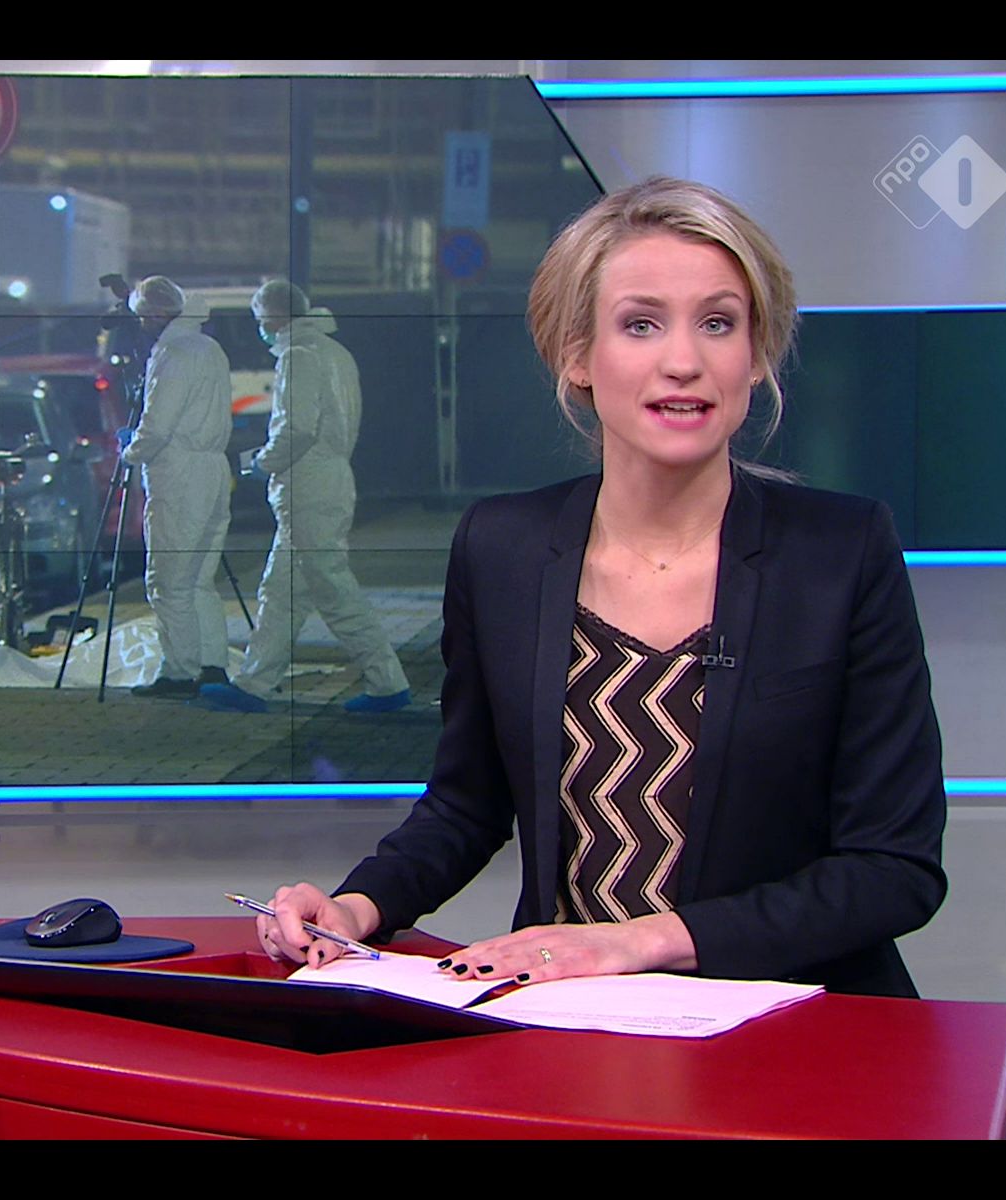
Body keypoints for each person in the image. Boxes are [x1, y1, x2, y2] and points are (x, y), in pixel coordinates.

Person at [254, 177, 948, 998]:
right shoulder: (502, 549)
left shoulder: (842, 552)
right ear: (576, 355)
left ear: (756, 354)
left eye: (718, 323)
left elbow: (893, 867)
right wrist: (356, 907)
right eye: (641, 324)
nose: (683, 361)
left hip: (790, 1022)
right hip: (571, 1020)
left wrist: (638, 943)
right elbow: (467, 805)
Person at [196, 281, 412, 715]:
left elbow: (296, 428)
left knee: (331, 587)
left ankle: (388, 682)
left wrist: (263, 462)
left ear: (275, 316)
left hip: (306, 485)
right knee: (281, 593)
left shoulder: (298, 357)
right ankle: (256, 682)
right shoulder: (336, 353)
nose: (260, 329)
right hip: (328, 479)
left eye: (260, 320)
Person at [117, 276, 235, 699]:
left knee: (169, 581)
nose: (141, 324)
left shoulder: (172, 353)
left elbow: (158, 424)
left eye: (142, 315)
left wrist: (130, 452)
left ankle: (180, 671)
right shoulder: (209, 347)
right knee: (199, 578)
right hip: (213, 469)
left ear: (156, 312)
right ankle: (212, 664)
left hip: (179, 473)